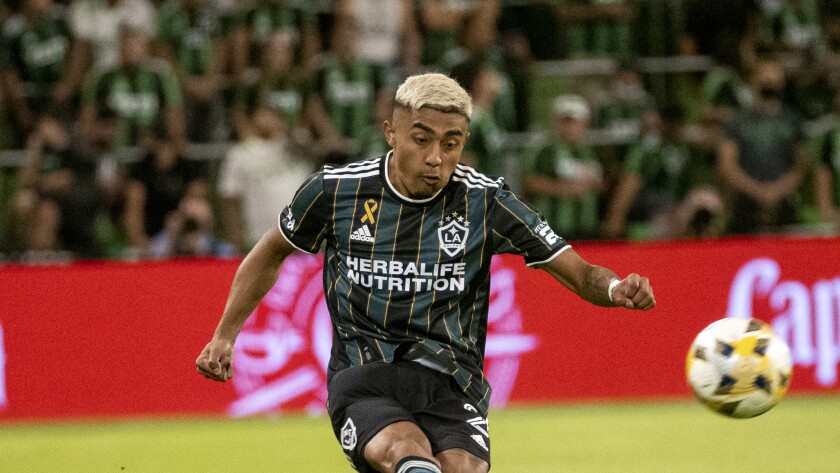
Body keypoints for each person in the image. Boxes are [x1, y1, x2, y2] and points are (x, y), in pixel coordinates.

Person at [196, 73, 655, 473]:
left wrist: (616, 288)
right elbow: (270, 252)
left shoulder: (487, 202)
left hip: (453, 383)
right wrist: (224, 335)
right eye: (422, 139)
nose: (436, 157)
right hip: (364, 375)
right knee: (408, 455)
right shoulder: (336, 192)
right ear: (391, 132)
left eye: (451, 143)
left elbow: (580, 273)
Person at [717, 58, 807, 235]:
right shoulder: (737, 120)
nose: (770, 80)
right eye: (765, 75)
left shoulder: (793, 120)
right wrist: (758, 191)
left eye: (775, 75)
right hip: (744, 204)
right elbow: (727, 164)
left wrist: (776, 191)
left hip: (783, 204)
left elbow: (801, 165)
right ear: (753, 80)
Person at [522, 94, 603, 241]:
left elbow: (601, 184)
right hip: (554, 227)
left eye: (574, 122)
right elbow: (530, 182)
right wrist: (565, 189)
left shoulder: (590, 151)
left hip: (587, 226)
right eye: (565, 122)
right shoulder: (544, 149)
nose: (569, 128)